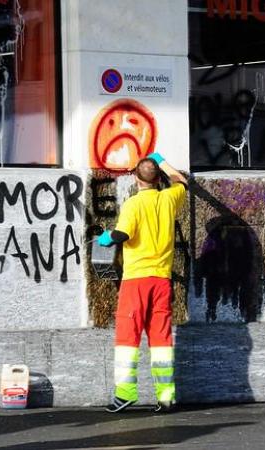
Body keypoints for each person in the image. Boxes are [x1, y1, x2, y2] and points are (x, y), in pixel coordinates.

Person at [97, 152, 187, 413]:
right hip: (161, 280)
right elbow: (181, 181)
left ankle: (125, 393)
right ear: (158, 178)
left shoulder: (133, 204)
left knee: (128, 336)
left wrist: (106, 237)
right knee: (161, 338)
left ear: (136, 179)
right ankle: (166, 396)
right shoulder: (169, 198)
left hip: (136, 280)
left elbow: (122, 234)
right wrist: (162, 160)